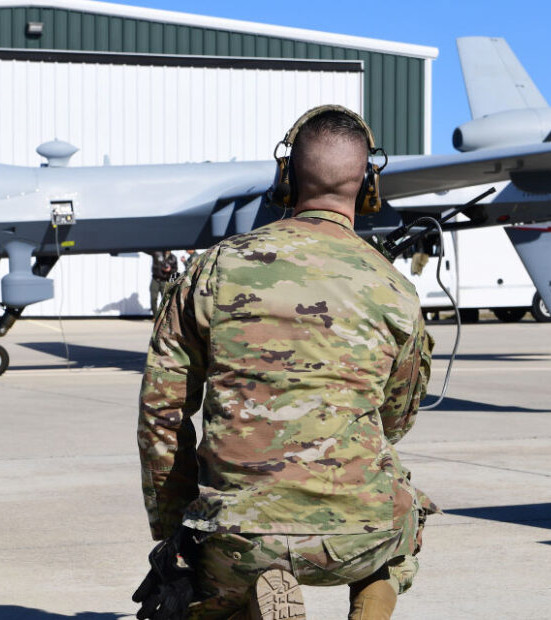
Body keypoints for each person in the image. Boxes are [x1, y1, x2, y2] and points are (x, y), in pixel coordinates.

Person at [136, 106, 436, 620]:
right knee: (401, 529)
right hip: (357, 535)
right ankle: (371, 595)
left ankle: (256, 594)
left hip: (237, 534)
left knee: (214, 601)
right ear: (369, 185)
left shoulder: (214, 269)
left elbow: (161, 416)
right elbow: (395, 420)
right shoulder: (395, 288)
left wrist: (176, 539)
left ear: (286, 175)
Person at [150, 250, 179, 316]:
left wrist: (169, 270)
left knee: (165, 299)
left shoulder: (173, 258)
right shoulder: (157, 254)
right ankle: (155, 316)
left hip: (165, 280)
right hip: (155, 279)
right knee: (153, 298)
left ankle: (164, 316)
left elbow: (175, 270)